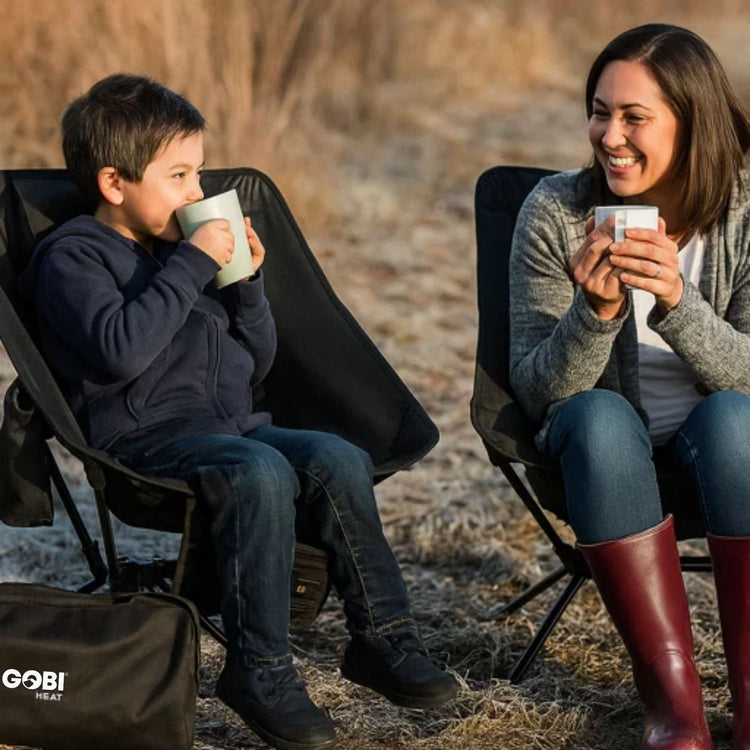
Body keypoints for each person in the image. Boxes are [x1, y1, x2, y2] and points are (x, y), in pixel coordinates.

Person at [19, 74, 458, 750]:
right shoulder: (74, 256)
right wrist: (193, 263)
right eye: (180, 175)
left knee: (336, 457)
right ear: (114, 183)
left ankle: (384, 639)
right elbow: (119, 352)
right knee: (258, 469)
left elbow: (254, 362)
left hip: (228, 431)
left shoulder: (179, 252)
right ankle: (260, 670)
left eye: (198, 173)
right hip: (140, 442)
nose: (198, 193)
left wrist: (247, 285)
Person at [508, 24, 750, 750]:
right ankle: (675, 717)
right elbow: (536, 393)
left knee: (737, 417)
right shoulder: (556, 211)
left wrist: (679, 305)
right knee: (601, 416)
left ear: (693, 122)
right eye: (599, 110)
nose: (609, 136)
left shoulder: (743, 213)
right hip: (600, 461)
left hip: (722, 456)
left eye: (634, 116)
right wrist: (596, 312)